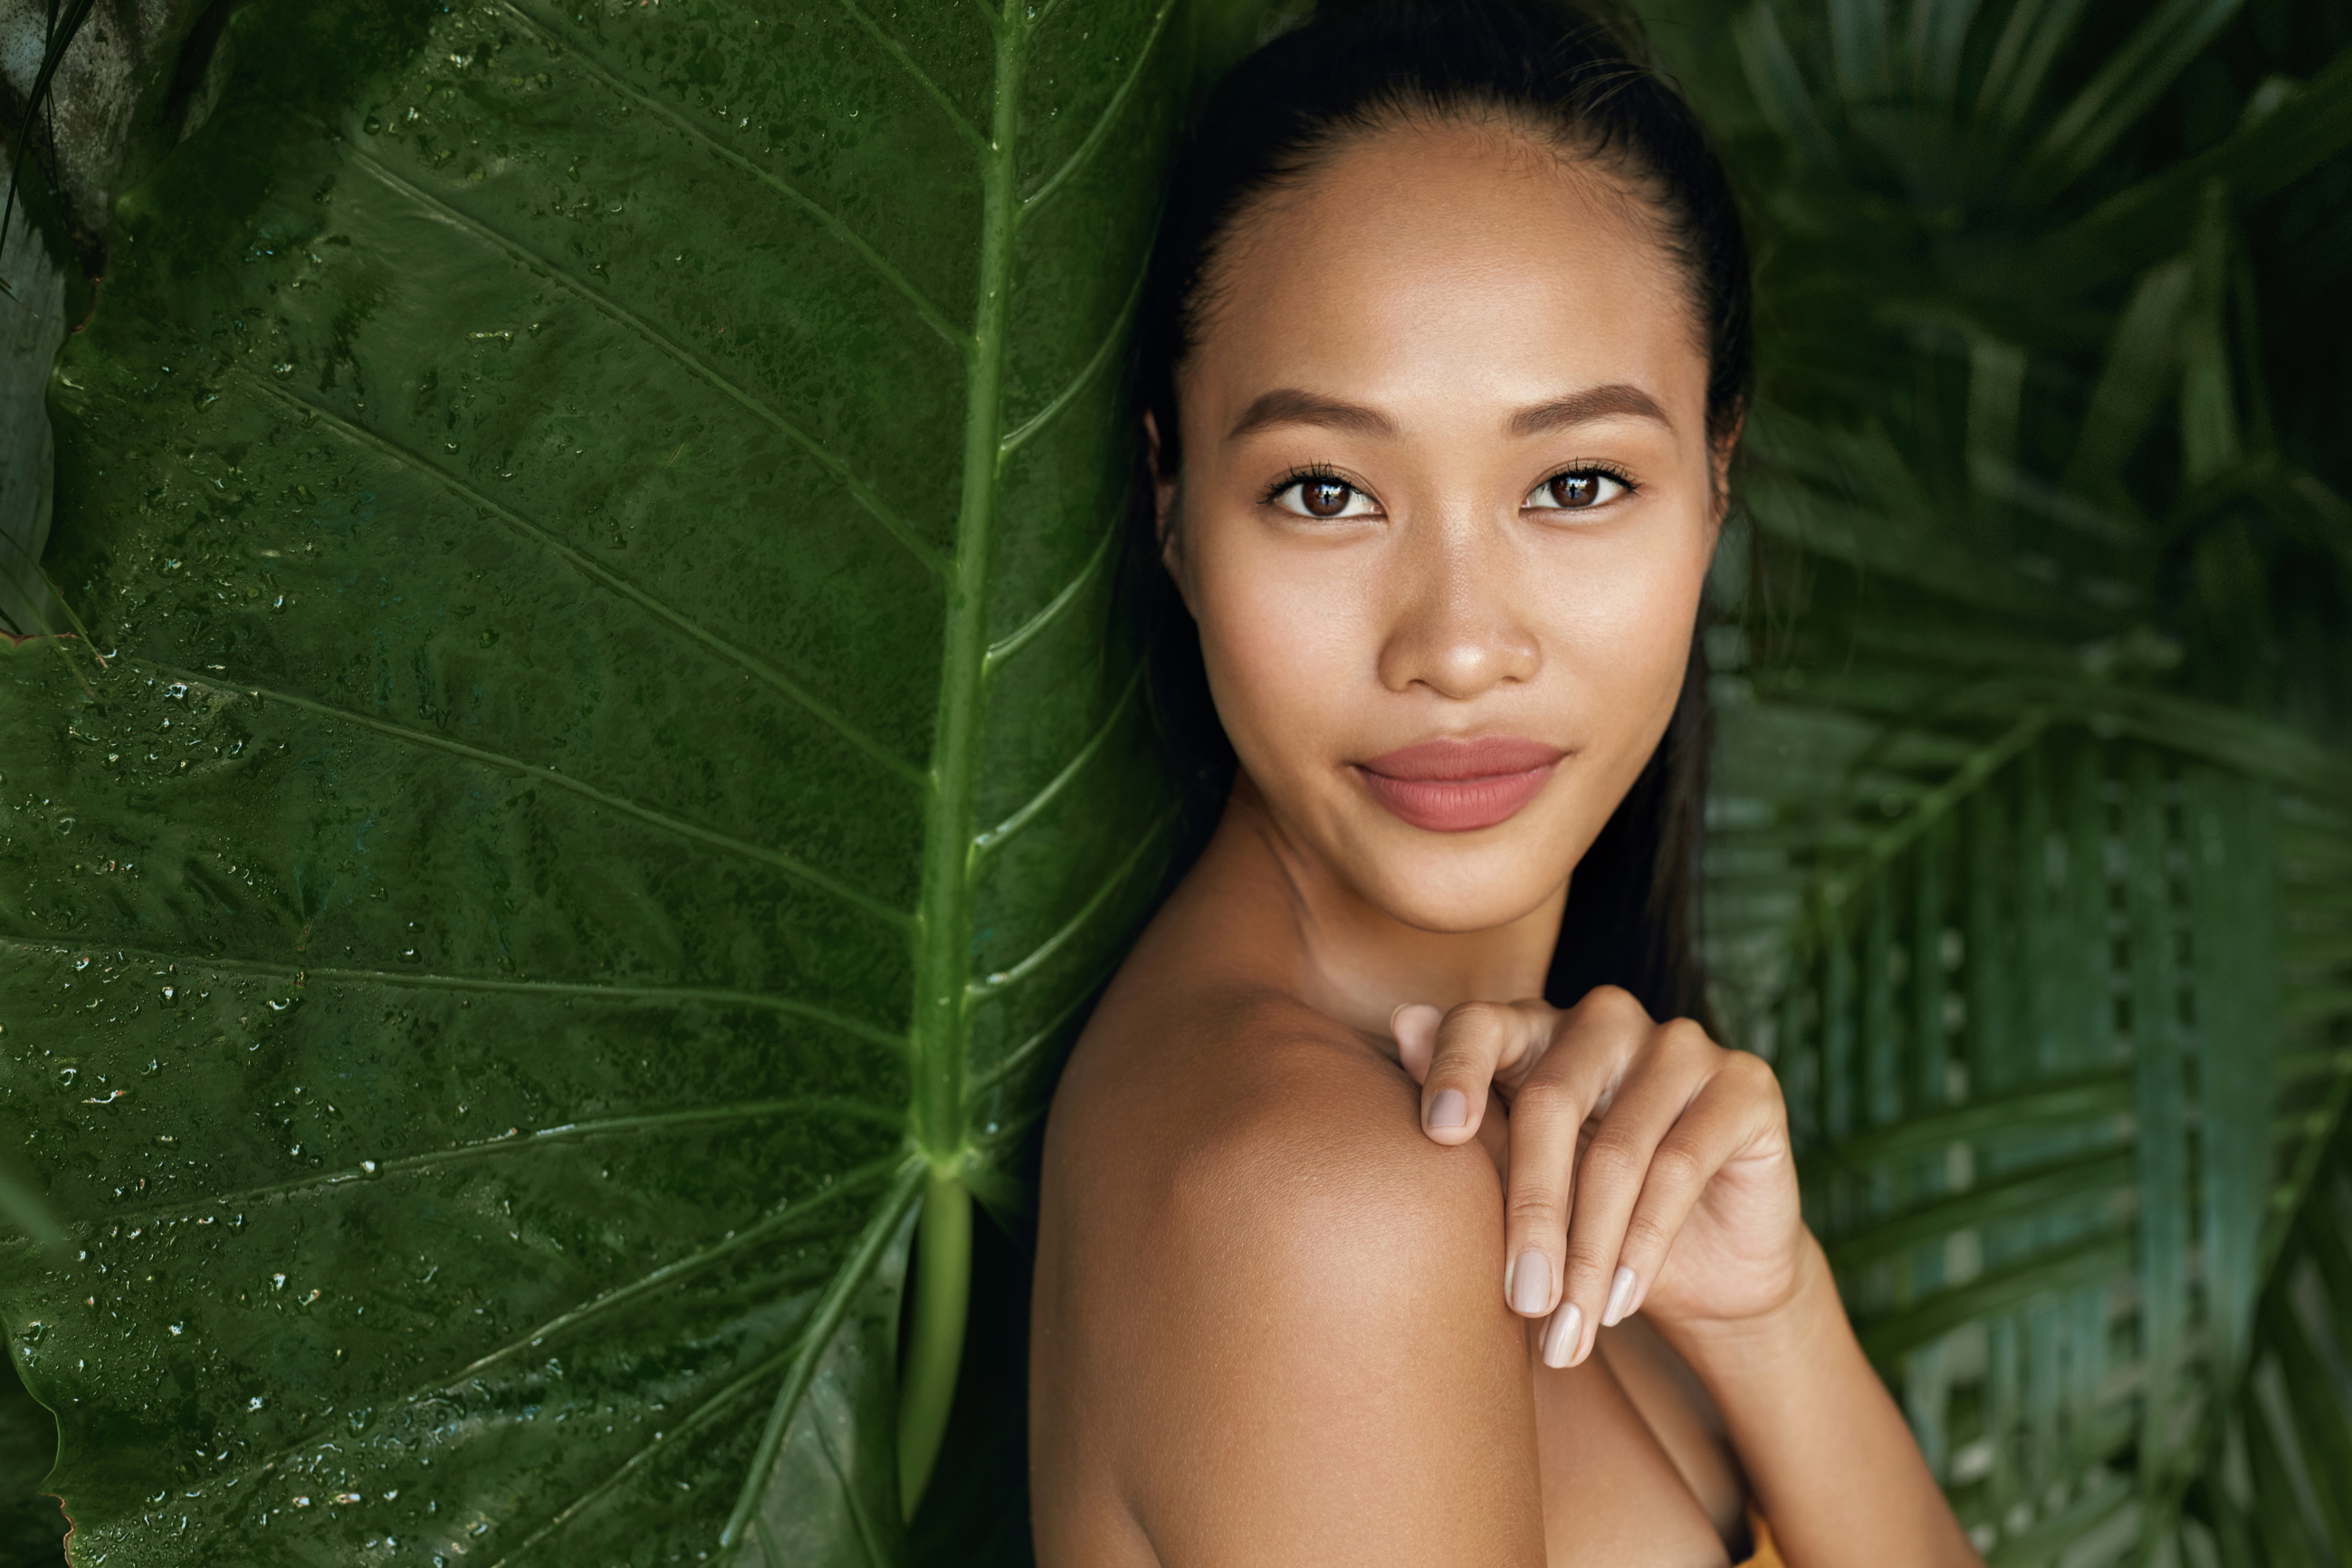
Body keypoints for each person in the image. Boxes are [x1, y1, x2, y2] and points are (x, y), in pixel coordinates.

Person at [1028, 3, 1982, 1563]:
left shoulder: (1552, 1131)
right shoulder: (1324, 1213)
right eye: (1325, 491)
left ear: (1715, 482)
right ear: (1173, 505)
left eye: (1574, 483)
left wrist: (1772, 1317)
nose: (1458, 648)